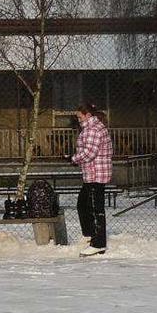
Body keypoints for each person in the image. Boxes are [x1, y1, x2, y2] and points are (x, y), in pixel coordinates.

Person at [67, 102, 113, 257]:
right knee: (83, 205)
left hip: (96, 175)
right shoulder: (93, 128)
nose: (78, 119)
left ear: (87, 115)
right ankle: (92, 236)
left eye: (79, 116)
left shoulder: (93, 130)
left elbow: (89, 153)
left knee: (94, 209)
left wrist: (73, 159)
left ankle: (98, 243)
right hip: (92, 174)